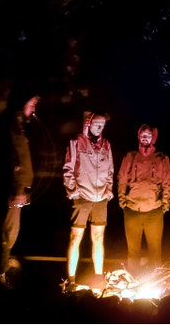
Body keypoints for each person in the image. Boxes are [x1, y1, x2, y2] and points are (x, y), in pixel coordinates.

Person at [0, 93, 39, 288]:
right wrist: (18, 188)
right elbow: (12, 159)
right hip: (12, 192)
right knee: (7, 234)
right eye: (32, 104)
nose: (34, 109)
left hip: (17, 191)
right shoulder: (11, 127)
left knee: (10, 234)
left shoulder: (17, 127)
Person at [62, 110, 113, 290]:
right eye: (97, 124)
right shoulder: (76, 142)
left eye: (102, 125)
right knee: (76, 237)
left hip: (101, 198)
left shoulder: (106, 145)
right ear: (89, 124)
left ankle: (99, 277)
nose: (99, 128)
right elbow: (68, 169)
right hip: (82, 196)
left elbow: (110, 172)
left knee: (98, 237)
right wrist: (74, 192)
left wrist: (108, 190)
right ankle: (71, 279)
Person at [117, 124, 170, 274]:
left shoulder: (161, 158)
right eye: (143, 135)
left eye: (148, 135)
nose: (145, 138)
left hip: (154, 211)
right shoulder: (130, 156)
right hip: (132, 210)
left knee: (155, 250)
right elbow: (122, 178)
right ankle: (133, 280)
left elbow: (168, 182)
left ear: (153, 138)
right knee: (133, 250)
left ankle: (155, 280)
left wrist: (165, 203)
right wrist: (122, 200)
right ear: (138, 137)